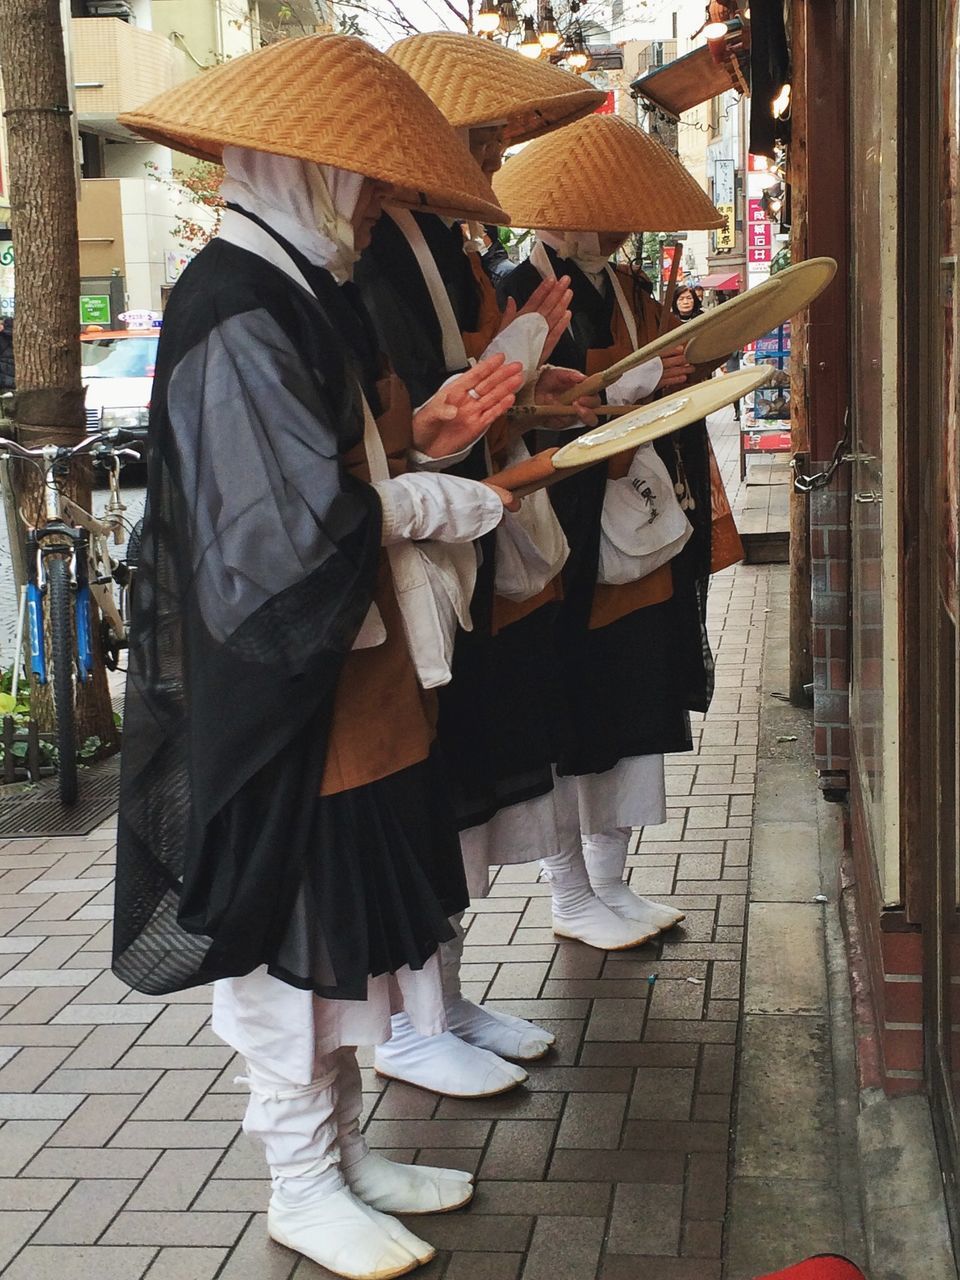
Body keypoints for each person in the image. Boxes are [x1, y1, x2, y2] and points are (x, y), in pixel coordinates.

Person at [112, 34, 530, 1279]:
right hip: (290, 690)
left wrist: (423, 439)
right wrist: (408, 501)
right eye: (356, 179)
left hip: (346, 672)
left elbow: (325, 466)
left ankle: (342, 1153)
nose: (372, 201)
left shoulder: (295, 283)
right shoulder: (235, 300)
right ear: (297, 169)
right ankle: (298, 1177)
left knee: (345, 932)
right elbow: (274, 532)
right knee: (294, 941)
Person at [356, 31, 623, 1101]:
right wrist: (498, 377)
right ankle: (409, 1020)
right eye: (472, 137)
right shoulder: (362, 257)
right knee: (426, 796)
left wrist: (522, 376)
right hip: (406, 553)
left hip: (454, 535)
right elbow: (416, 411)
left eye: (486, 138)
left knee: (453, 790)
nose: (484, 156)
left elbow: (451, 393)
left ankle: (443, 1000)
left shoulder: (430, 242)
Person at [494, 112, 732, 938]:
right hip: (562, 533)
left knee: (632, 695)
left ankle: (609, 878)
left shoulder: (629, 288)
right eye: (614, 209)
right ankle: (568, 893)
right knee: (563, 706)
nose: (627, 226)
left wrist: (678, 367)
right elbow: (510, 406)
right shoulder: (514, 287)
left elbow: (679, 367)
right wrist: (617, 383)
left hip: (632, 521)